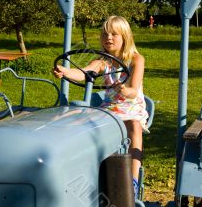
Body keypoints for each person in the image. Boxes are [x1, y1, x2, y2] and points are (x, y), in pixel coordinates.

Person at [53, 16, 149, 196]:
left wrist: (123, 89)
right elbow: (83, 73)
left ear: (125, 37)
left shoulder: (136, 59)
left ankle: (133, 181)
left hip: (131, 106)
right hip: (110, 107)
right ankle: (89, 173)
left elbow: (134, 91)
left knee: (134, 126)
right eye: (105, 34)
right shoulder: (102, 61)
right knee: (82, 125)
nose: (109, 38)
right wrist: (65, 71)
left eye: (114, 34)